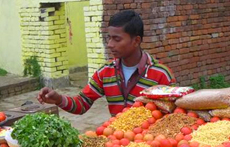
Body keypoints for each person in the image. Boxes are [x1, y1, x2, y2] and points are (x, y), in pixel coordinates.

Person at [38, 10, 176, 116]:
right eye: (109, 38)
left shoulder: (161, 75)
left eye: (117, 39)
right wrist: (59, 99)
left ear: (136, 41)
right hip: (115, 145)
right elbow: (82, 103)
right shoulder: (106, 72)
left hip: (150, 146)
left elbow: (174, 116)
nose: (110, 44)